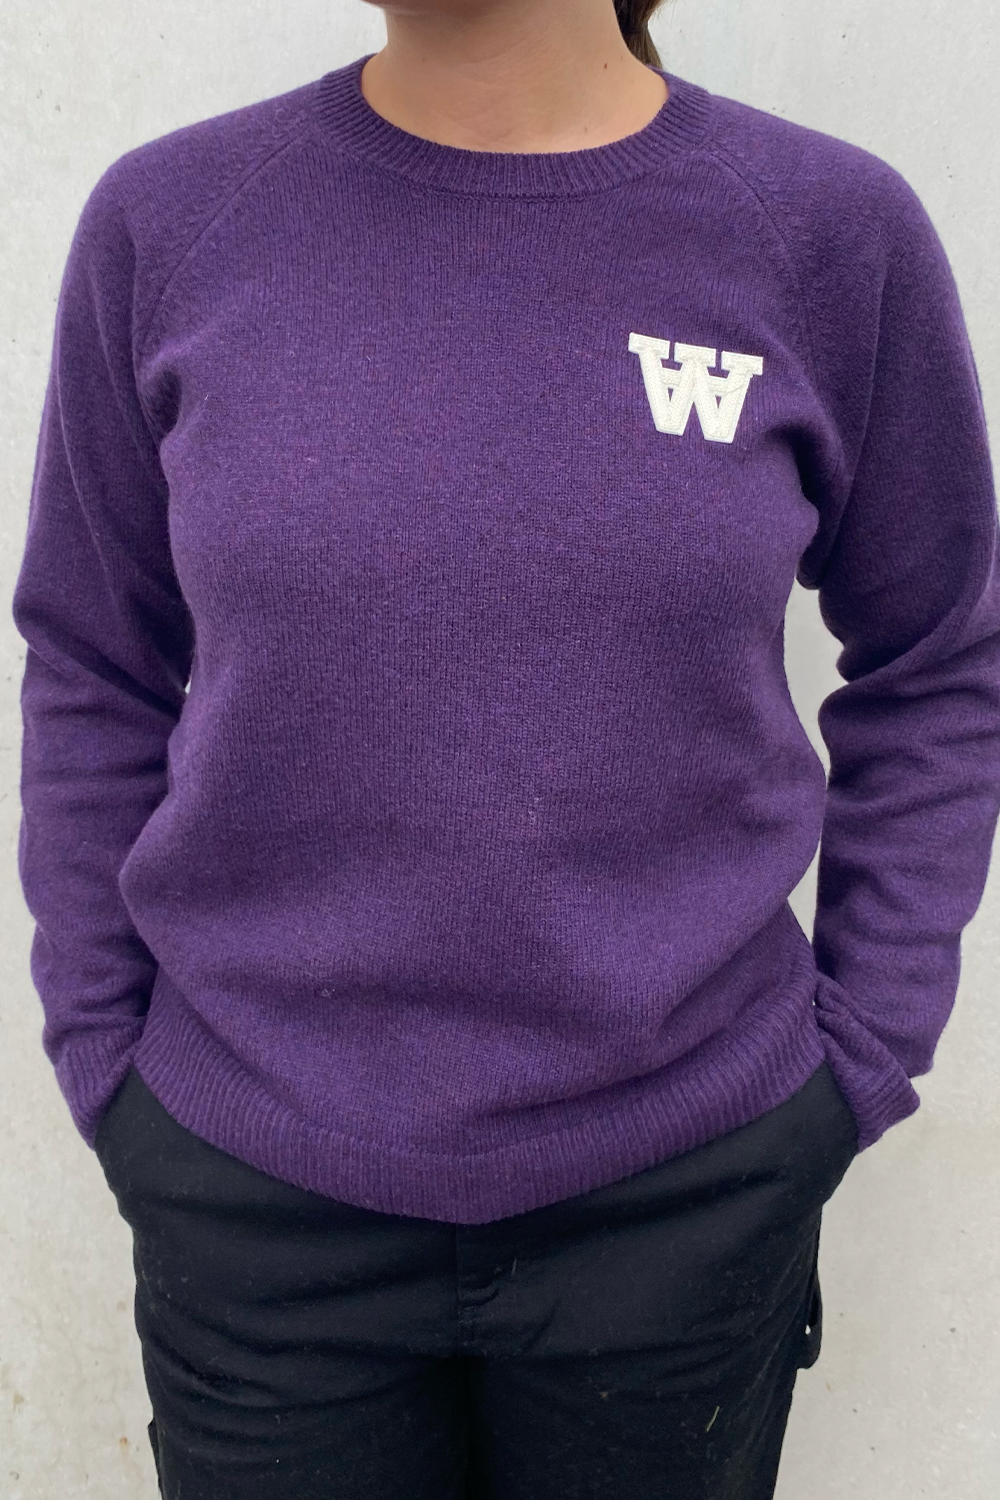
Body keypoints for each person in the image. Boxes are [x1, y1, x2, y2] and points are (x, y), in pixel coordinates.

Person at [11, 0, 1000, 1496]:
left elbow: (937, 657)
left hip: (684, 1195)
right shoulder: (172, 222)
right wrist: (105, 1049)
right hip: (256, 1197)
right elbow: (94, 662)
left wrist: (859, 1050)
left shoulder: (823, 231)